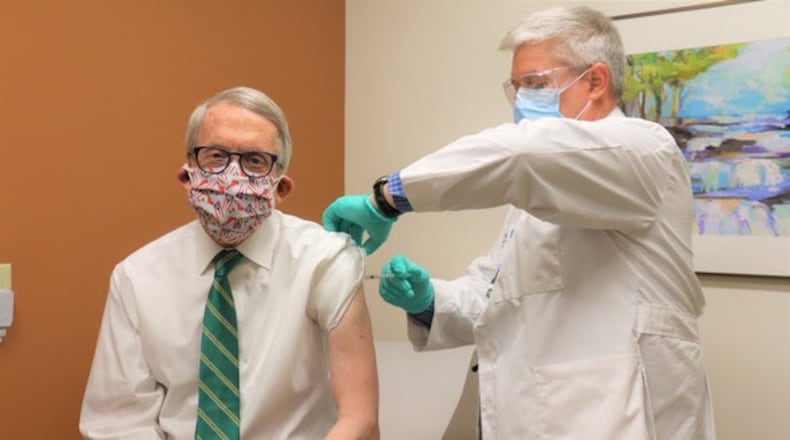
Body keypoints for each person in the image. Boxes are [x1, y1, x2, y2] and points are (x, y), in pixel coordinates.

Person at [323, 5, 715, 440]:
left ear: (596, 80)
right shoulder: (547, 194)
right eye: (518, 87)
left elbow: (520, 154)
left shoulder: (644, 150)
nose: (524, 100)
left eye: (536, 84)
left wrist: (387, 199)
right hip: (532, 415)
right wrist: (427, 299)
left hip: (615, 418)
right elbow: (494, 299)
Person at [81, 86, 380, 439]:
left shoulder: (326, 261)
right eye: (215, 156)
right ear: (187, 173)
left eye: (254, 161)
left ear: (280, 187)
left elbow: (359, 419)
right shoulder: (136, 277)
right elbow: (119, 422)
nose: (232, 177)